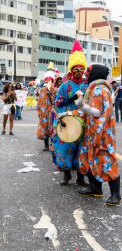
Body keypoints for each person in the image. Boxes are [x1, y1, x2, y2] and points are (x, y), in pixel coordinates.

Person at [72, 64, 120, 206]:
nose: (86, 74)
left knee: (106, 159)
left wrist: (82, 106)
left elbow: (97, 112)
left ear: (96, 73)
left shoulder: (99, 90)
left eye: (88, 71)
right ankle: (95, 189)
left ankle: (116, 194)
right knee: (90, 158)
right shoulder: (95, 88)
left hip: (102, 134)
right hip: (93, 132)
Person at [53, 40, 88, 186]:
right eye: (76, 68)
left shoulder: (87, 86)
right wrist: (70, 98)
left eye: (81, 69)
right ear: (71, 70)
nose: (78, 71)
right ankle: (67, 175)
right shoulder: (65, 86)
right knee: (65, 148)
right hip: (68, 122)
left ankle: (80, 177)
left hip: (83, 122)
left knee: (82, 151)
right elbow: (57, 102)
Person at [37, 64, 57, 151]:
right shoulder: (42, 90)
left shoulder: (55, 90)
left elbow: (57, 102)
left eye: (50, 80)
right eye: (47, 80)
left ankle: (53, 144)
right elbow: (39, 102)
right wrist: (39, 111)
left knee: (52, 128)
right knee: (44, 128)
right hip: (44, 113)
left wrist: (51, 95)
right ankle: (46, 145)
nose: (48, 81)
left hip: (52, 112)